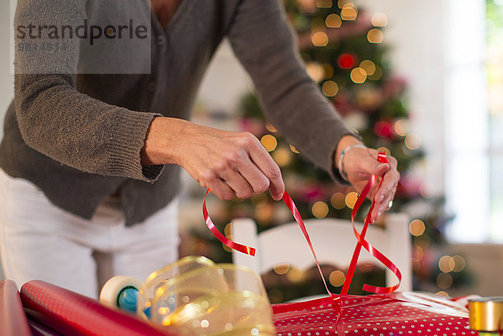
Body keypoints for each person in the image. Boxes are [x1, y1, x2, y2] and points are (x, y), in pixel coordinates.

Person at [0, 0, 399, 297]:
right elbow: (41, 102)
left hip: (148, 207)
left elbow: (285, 82)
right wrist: (176, 138)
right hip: (48, 199)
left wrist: (346, 149)